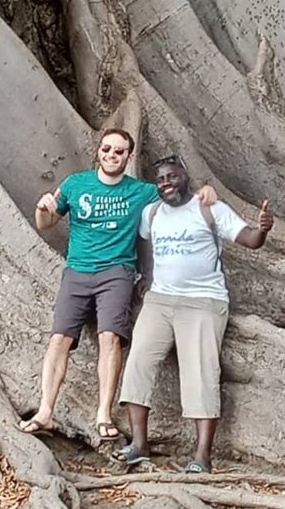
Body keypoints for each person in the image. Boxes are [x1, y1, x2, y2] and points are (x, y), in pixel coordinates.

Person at [18, 131, 216, 440]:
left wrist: (205, 192)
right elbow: (46, 224)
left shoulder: (142, 192)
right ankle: (45, 412)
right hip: (77, 271)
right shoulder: (75, 184)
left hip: (117, 273)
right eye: (107, 149)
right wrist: (42, 209)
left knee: (109, 338)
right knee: (59, 339)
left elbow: (177, 198)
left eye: (120, 151)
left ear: (129, 157)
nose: (112, 154)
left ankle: (103, 414)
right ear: (98, 152)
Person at [113, 155, 273, 471]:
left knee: (200, 373)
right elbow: (144, 242)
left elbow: (250, 241)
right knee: (138, 363)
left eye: (172, 177)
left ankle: (202, 457)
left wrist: (263, 229)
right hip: (159, 301)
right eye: (160, 179)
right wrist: (145, 276)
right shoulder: (152, 212)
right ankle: (139, 444)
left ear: (186, 178)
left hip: (203, 301)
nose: (166, 183)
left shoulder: (210, 208)